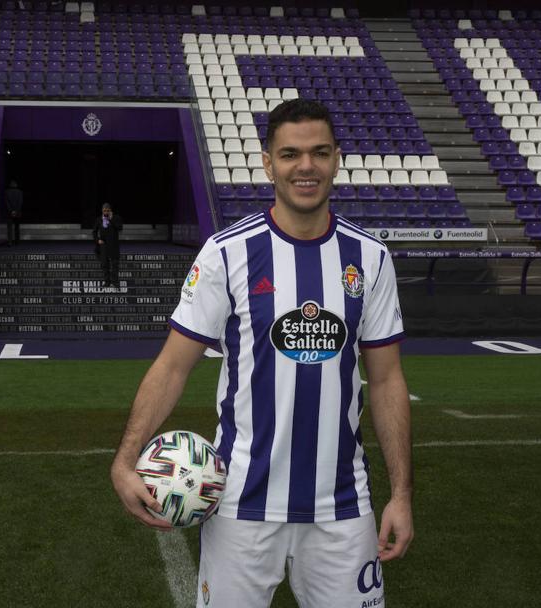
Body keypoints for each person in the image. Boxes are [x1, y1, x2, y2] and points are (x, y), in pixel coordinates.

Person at [111, 98, 413, 607]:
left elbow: (386, 381)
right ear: (269, 163)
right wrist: (124, 460)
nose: (306, 166)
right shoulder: (226, 253)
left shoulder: (370, 258)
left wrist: (401, 495)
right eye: (291, 154)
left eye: (319, 152)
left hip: (342, 506)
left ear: (337, 158)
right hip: (239, 505)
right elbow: (172, 366)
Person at [92, 202, 123, 287]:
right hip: (104, 245)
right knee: (105, 264)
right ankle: (107, 282)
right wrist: (98, 240)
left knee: (115, 264)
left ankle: (115, 282)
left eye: (107, 210)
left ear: (110, 210)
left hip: (113, 245)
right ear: (102, 210)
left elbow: (120, 228)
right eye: (104, 210)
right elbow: (94, 232)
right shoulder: (99, 219)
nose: (106, 212)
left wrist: (111, 219)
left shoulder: (116, 218)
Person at [5, 180, 24, 246]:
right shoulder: (20, 192)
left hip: (9, 212)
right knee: (17, 227)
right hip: (18, 212)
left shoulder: (7, 192)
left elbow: (7, 203)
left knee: (9, 228)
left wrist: (11, 211)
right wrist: (16, 211)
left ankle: (10, 242)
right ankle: (17, 241)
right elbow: (20, 202)